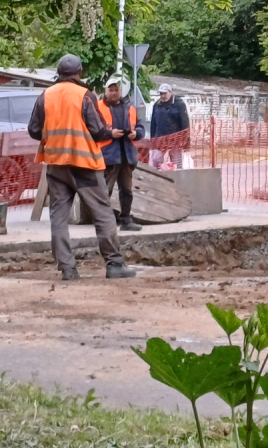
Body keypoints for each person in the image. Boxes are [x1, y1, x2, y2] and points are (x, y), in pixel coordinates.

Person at [26, 55, 136, 280]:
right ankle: (114, 264)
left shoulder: (45, 96)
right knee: (103, 213)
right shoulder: (85, 95)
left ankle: (67, 269)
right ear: (79, 72)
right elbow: (97, 130)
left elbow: (34, 130)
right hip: (85, 164)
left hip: (56, 165)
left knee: (58, 216)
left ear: (58, 72)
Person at [98, 77, 142, 232]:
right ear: (106, 91)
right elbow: (92, 131)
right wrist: (110, 134)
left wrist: (136, 134)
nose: (114, 93)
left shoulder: (130, 108)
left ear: (120, 91)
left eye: (116, 90)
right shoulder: (98, 108)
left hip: (126, 155)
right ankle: (104, 223)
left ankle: (126, 220)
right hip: (109, 156)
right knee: (105, 192)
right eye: (111, 90)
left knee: (127, 190)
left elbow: (140, 127)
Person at [149, 82, 190, 169]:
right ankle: (157, 177)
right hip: (160, 138)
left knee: (176, 162)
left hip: (175, 138)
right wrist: (152, 138)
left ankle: (177, 180)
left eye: (165, 93)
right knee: (156, 160)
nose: (163, 96)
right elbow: (153, 123)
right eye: (161, 93)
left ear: (170, 92)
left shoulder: (179, 104)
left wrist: (184, 138)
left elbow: (184, 122)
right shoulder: (157, 105)